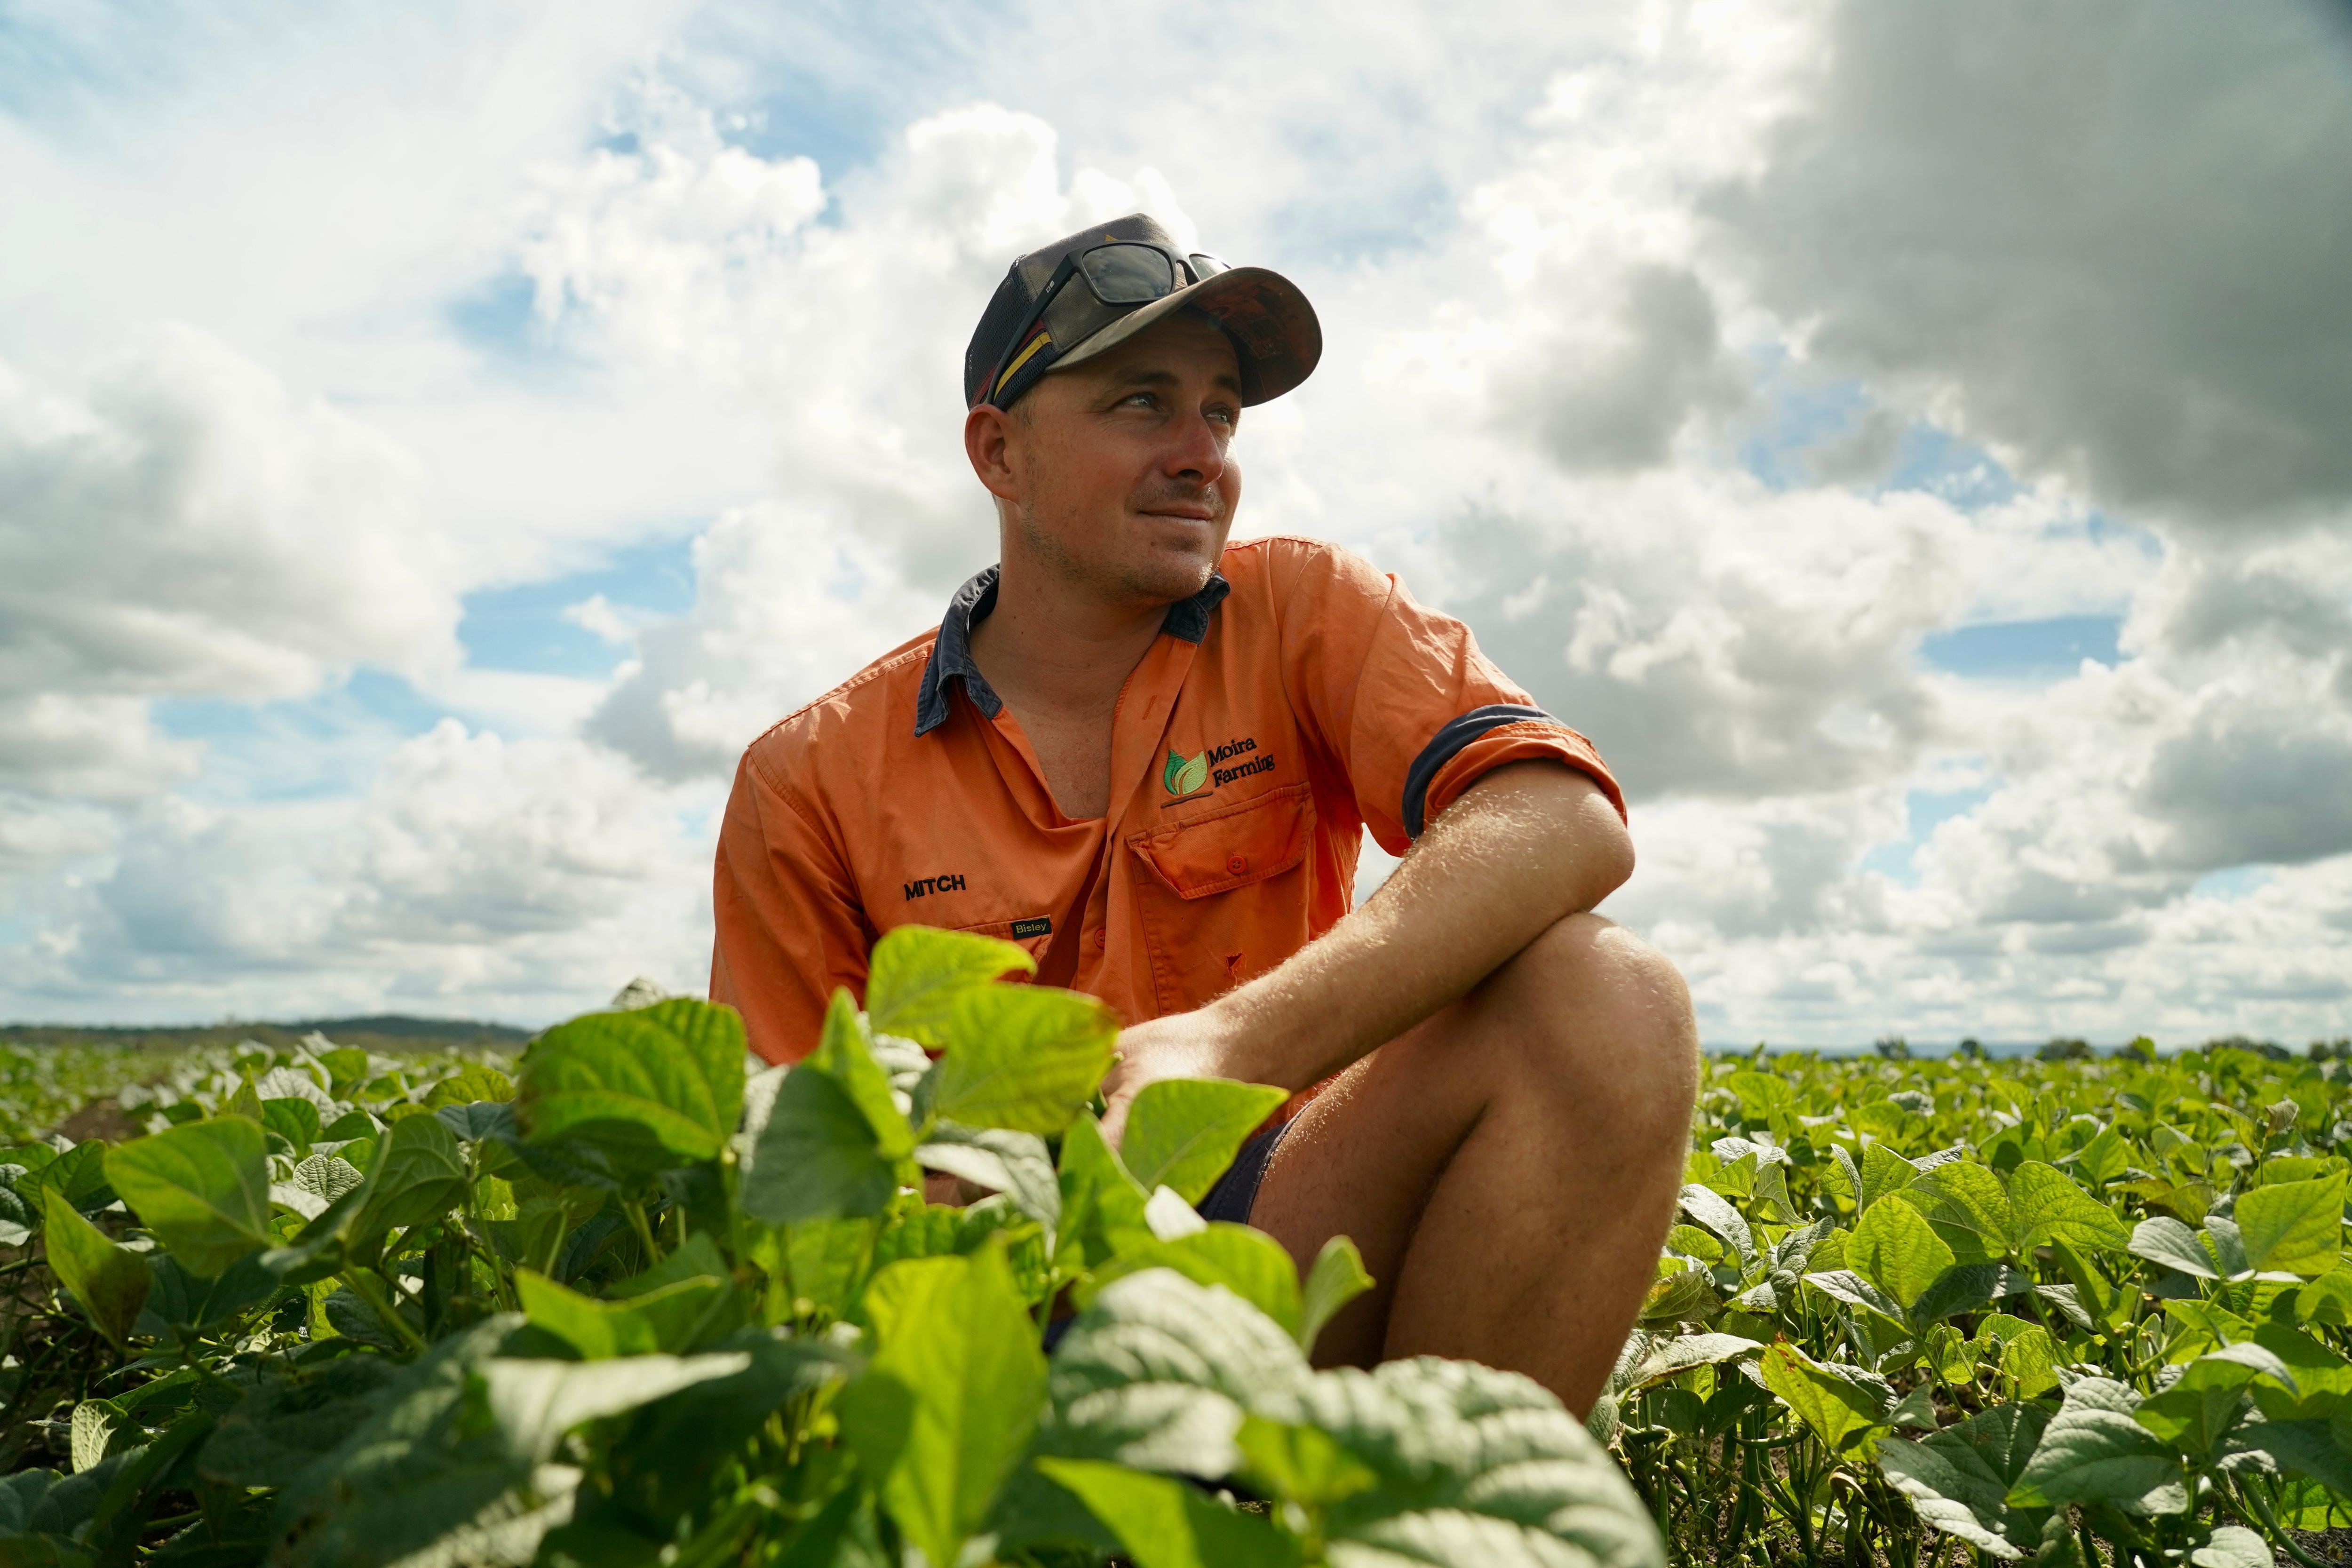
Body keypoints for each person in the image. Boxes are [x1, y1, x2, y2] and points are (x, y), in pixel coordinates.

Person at [710, 214, 1700, 1415]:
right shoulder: (807, 773)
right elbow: (784, 1172)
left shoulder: (1299, 606)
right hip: (989, 1318)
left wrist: (1226, 1043)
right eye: (1141, 403)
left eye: (1220, 413)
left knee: (1611, 995)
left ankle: (1411, 1525)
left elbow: (1560, 816)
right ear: (998, 451)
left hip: (1273, 1222)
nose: (1201, 455)